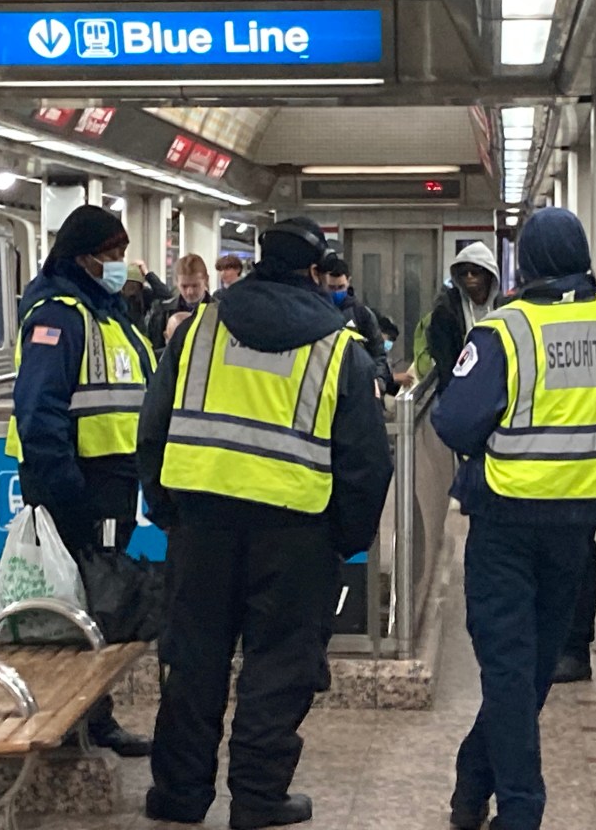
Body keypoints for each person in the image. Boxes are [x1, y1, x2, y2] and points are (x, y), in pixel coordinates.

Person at [139, 217, 392, 830]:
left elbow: (154, 423)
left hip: (201, 524)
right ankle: (256, 797)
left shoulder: (197, 329)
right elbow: (365, 461)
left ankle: (179, 793)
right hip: (296, 532)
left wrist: (164, 505)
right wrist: (347, 539)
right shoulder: (339, 351)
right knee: (279, 666)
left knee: (194, 658)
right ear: (313, 272)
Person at [433, 208, 596, 830]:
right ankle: (472, 787)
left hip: (505, 524)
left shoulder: (506, 331)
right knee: (528, 673)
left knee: (507, 672)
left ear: (523, 264)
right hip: (578, 529)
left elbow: (454, 422)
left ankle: (520, 810)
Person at [5, 204, 155, 756]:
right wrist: (66, 493)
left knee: (99, 604)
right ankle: (69, 724)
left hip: (110, 481)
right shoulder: (58, 316)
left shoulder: (109, 314)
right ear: (83, 256)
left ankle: (94, 717)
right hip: (74, 486)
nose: (120, 264)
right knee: (72, 607)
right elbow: (39, 412)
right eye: (112, 255)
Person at [412, 243, 501, 390]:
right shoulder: (446, 310)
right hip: (460, 388)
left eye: (475, 271)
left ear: (488, 273)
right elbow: (445, 364)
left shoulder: (503, 306)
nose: (469, 277)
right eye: (463, 273)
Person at [323, 257, 393, 393]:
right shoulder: (317, 310)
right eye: (331, 288)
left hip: (356, 386)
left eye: (340, 287)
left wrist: (378, 381)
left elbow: (378, 352)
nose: (336, 292)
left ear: (348, 282)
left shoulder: (361, 314)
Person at [146, 253, 211, 352]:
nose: (190, 292)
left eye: (195, 286)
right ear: (176, 282)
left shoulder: (220, 312)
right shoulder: (162, 312)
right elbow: (153, 350)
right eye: (184, 286)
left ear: (206, 280)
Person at [125, 258, 173, 331]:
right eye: (129, 283)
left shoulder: (144, 295)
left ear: (140, 285)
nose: (131, 286)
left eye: (135, 283)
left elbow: (166, 295)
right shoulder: (118, 299)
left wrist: (148, 274)